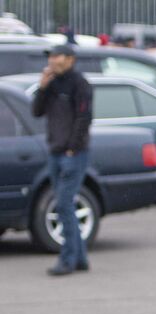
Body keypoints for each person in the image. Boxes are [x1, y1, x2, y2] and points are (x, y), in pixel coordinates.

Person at [31, 43, 92, 278]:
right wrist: (42, 87)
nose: (52, 61)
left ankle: (67, 259)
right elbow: (37, 111)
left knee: (64, 206)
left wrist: (72, 148)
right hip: (55, 152)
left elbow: (84, 118)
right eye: (51, 57)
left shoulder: (80, 84)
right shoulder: (52, 84)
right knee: (64, 205)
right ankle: (80, 258)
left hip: (73, 154)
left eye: (57, 56)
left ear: (70, 59)